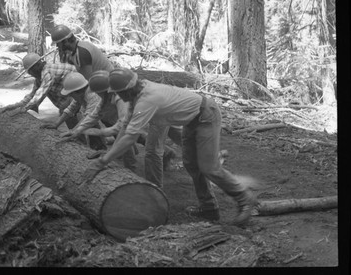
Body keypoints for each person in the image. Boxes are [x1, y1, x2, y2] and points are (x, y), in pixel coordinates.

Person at [82, 68, 257, 226]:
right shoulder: (136, 95)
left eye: (118, 93)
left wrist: (102, 162)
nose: (117, 98)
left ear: (126, 90)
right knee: (192, 165)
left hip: (206, 116)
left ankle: (244, 198)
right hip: (191, 120)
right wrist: (107, 156)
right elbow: (125, 129)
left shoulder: (147, 100)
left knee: (209, 167)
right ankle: (209, 208)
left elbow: (129, 138)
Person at [60, 70, 137, 171]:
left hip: (153, 117)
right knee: (132, 140)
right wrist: (76, 131)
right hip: (132, 121)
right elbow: (94, 116)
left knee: (149, 149)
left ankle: (133, 171)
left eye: (98, 93)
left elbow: (123, 126)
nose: (97, 95)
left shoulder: (120, 98)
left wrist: (103, 136)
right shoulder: (105, 98)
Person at [1, 53, 79, 129]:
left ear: (36, 66)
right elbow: (32, 95)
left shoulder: (48, 71)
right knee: (66, 110)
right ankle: (78, 137)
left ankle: (81, 137)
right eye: (29, 72)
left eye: (30, 71)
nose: (31, 74)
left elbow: (43, 90)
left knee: (67, 109)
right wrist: (15, 106)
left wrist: (25, 108)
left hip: (80, 89)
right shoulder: (40, 78)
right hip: (71, 94)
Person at [42, 71, 106, 150]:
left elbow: (89, 118)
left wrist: (74, 131)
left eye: (71, 94)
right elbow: (71, 108)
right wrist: (56, 124)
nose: (70, 96)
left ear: (77, 92)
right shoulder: (81, 94)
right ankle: (95, 146)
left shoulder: (92, 95)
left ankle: (101, 148)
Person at [50, 25, 114, 80]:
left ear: (65, 41)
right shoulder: (72, 52)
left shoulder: (82, 53)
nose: (57, 46)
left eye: (58, 44)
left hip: (107, 82)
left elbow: (86, 80)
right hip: (98, 80)